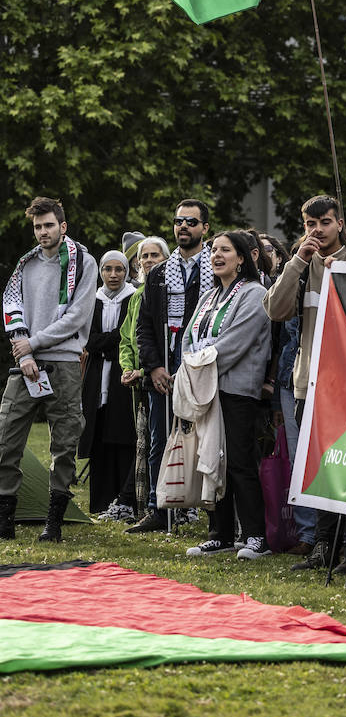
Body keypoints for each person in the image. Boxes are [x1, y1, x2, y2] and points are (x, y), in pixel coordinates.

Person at [264, 195, 346, 571]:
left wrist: (343, 277)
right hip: (308, 383)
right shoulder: (300, 266)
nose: (318, 231)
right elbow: (275, 309)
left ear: (341, 223)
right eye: (311, 224)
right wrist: (298, 260)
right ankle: (323, 546)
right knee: (320, 468)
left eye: (325, 223)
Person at [0, 197, 98, 541]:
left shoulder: (84, 262)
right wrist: (24, 352)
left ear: (63, 226)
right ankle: (4, 521)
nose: (43, 232)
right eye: (38, 227)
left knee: (65, 444)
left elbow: (78, 317)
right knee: (6, 438)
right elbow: (12, 305)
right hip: (25, 362)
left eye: (49, 225)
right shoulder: (25, 264)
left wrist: (34, 343)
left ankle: (53, 523)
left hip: (65, 363)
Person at [183, 230, 273, 561]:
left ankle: (255, 536)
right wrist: (191, 364)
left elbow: (236, 343)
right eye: (214, 251)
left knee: (239, 462)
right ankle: (219, 534)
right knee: (211, 462)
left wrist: (197, 363)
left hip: (237, 390)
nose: (217, 255)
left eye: (225, 250)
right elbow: (187, 338)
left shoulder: (255, 293)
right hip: (206, 391)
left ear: (242, 258)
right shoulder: (208, 296)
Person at [130, 199, 212, 533]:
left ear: (205, 227)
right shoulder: (160, 274)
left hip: (201, 364)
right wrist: (153, 367)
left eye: (191, 221)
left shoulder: (218, 266)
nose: (183, 227)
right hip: (163, 366)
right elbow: (144, 327)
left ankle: (213, 514)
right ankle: (158, 507)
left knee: (207, 441)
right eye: (178, 221)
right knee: (159, 439)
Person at [79, 250, 137, 516]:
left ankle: (124, 501)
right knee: (99, 435)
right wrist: (108, 342)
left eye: (119, 270)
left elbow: (128, 338)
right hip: (96, 378)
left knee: (122, 434)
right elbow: (86, 338)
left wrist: (104, 344)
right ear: (101, 271)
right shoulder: (93, 300)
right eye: (108, 269)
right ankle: (100, 501)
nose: (113, 275)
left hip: (121, 377)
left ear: (127, 272)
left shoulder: (133, 298)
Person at [118, 235, 170, 520]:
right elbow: (127, 338)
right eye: (144, 257)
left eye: (155, 256)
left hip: (161, 376)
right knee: (148, 444)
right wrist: (128, 367)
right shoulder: (136, 295)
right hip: (141, 381)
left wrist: (146, 368)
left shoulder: (170, 290)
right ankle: (148, 507)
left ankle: (173, 506)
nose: (148, 261)